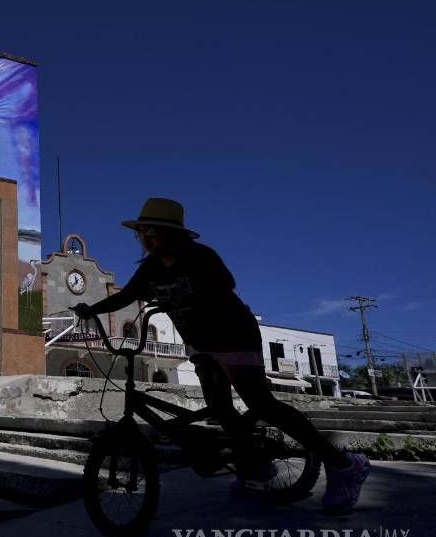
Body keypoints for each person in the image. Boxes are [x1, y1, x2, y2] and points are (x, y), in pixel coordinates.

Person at [71, 198, 370, 514]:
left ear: (173, 233)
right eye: (141, 233)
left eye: (152, 232)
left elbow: (226, 283)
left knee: (260, 403)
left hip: (233, 336)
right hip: (201, 345)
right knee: (220, 409)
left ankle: (344, 465)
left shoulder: (200, 257)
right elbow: (127, 296)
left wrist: (191, 295)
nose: (145, 239)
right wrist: (92, 310)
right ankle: (253, 465)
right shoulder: (151, 269)